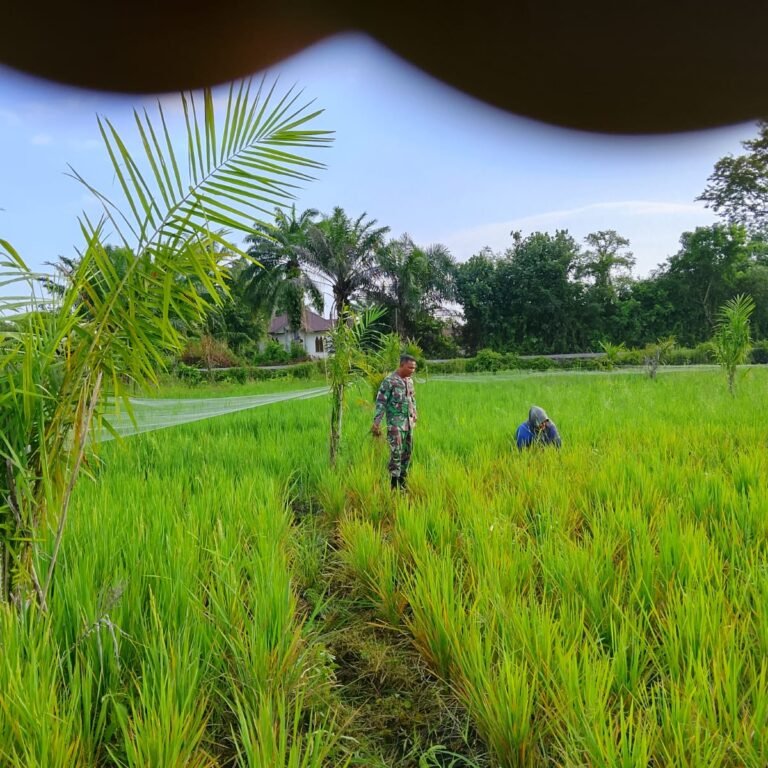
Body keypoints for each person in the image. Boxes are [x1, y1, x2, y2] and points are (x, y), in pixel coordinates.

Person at [371, 354, 418, 490]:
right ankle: (393, 485)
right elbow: (381, 402)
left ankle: (403, 483)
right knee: (396, 454)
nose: (412, 370)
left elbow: (412, 398)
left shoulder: (409, 381)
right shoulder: (389, 381)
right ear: (402, 365)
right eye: (410, 367)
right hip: (395, 425)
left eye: (414, 368)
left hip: (408, 424)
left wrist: (415, 413)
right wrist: (377, 421)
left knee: (407, 453)